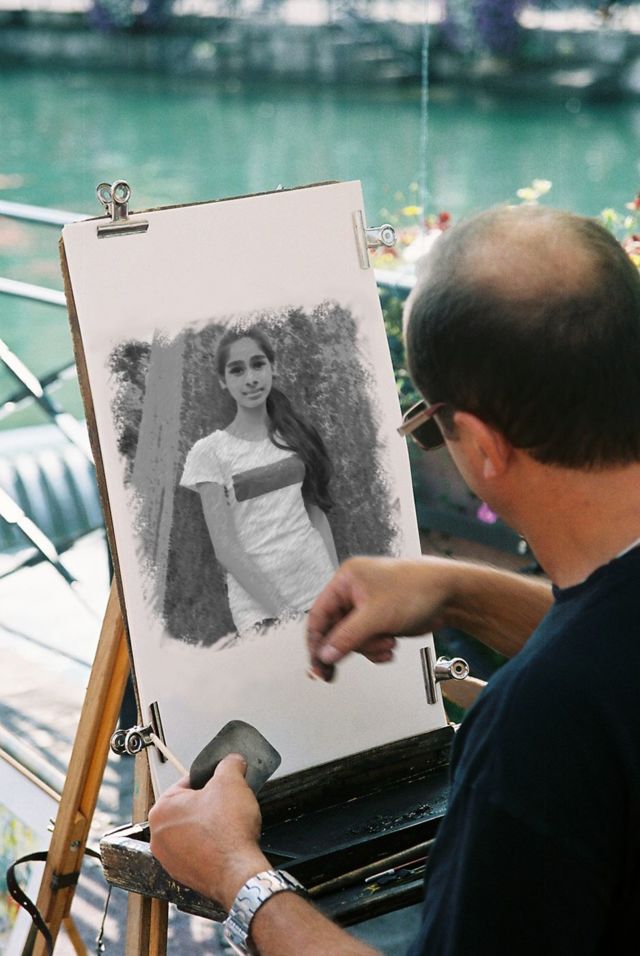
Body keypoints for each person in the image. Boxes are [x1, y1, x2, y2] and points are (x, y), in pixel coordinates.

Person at [149, 204, 640, 955]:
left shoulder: (533, 733)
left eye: (430, 427)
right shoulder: (583, 683)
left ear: (481, 445)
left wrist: (238, 877)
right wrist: (460, 590)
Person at [180, 325, 338, 636]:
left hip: (320, 589)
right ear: (223, 381)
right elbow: (225, 548)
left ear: (272, 367)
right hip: (261, 612)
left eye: (258, 364)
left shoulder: (295, 435)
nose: (251, 378)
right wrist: (284, 614)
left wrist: (337, 585)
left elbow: (316, 515)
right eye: (237, 370)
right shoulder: (209, 452)